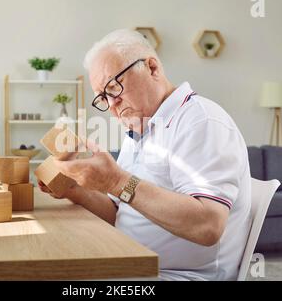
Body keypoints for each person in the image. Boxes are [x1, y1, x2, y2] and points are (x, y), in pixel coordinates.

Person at [38, 29, 251, 281]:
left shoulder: (201, 121)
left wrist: (116, 181)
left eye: (113, 87)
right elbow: (120, 214)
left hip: (176, 276)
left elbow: (207, 225)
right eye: (103, 97)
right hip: (132, 263)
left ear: (152, 68)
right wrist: (75, 190)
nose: (112, 105)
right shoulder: (141, 129)